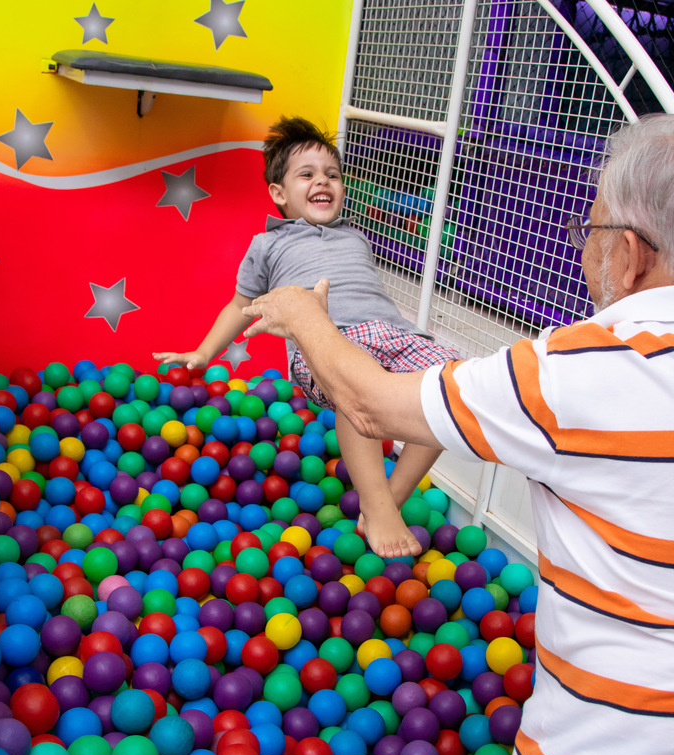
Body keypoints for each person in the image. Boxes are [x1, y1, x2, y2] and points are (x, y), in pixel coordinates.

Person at [241, 113, 674, 755]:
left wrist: (303, 318)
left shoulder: (581, 373)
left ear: (629, 254)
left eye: (588, 233)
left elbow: (369, 406)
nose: (583, 251)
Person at [154, 116, 460, 559]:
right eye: (308, 174)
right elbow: (240, 305)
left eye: (332, 175)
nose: (323, 181)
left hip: (395, 332)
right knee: (357, 385)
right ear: (279, 193)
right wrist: (204, 352)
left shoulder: (357, 235)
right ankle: (377, 505)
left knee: (451, 387)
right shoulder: (268, 245)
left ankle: (389, 498)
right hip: (328, 342)